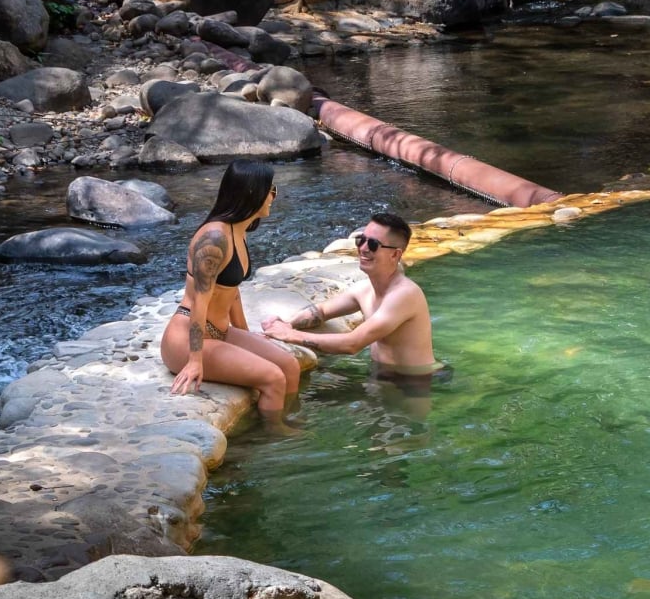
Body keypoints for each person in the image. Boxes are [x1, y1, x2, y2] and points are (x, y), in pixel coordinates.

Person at [161, 161, 300, 430]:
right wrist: (195, 360)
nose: (274, 196)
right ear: (252, 193)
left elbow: (231, 290)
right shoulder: (214, 239)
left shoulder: (238, 230)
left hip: (219, 332)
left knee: (290, 365)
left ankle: (290, 418)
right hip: (186, 340)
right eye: (270, 190)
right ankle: (276, 436)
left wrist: (245, 335)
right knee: (273, 377)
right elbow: (200, 301)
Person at [262, 212, 444, 392]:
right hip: (380, 374)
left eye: (373, 244)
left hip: (415, 381)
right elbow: (322, 311)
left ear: (395, 255)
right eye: (361, 240)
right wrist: (288, 323)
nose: (363, 248)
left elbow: (352, 344)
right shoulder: (364, 290)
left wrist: (290, 335)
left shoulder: (404, 295)